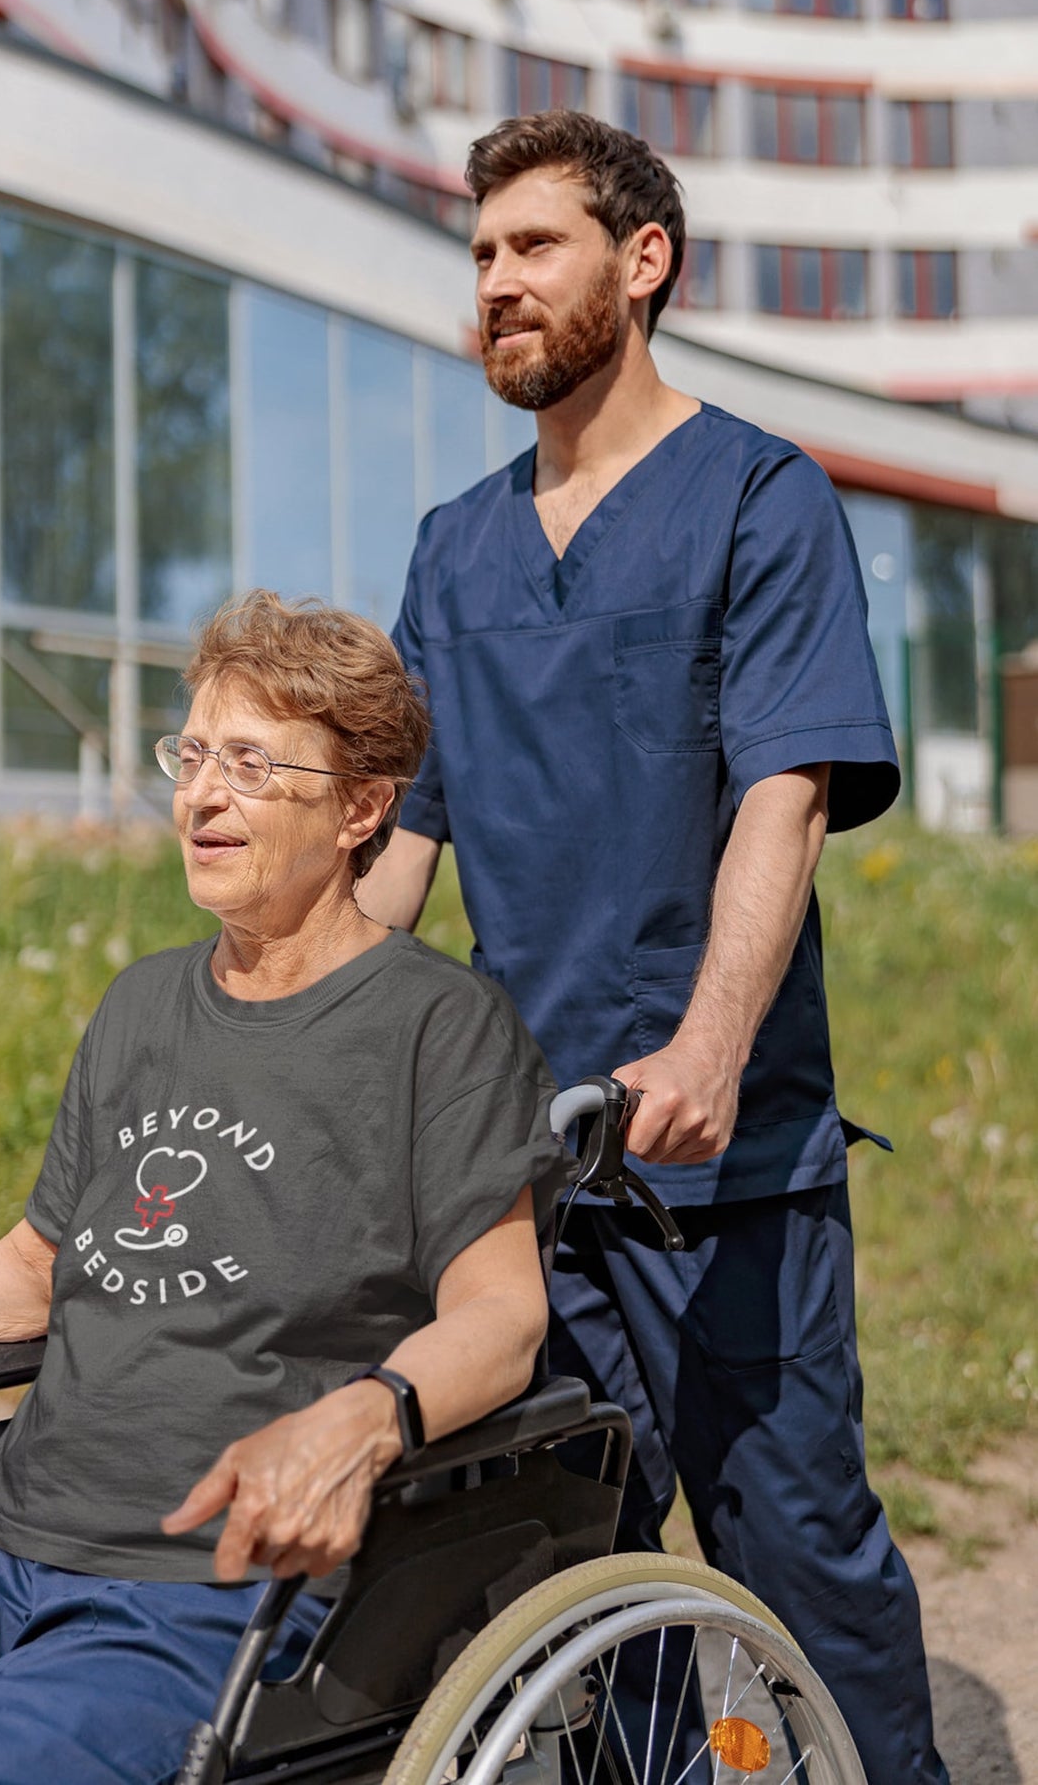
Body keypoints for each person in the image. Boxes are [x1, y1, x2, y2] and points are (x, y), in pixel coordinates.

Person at [0, 592, 560, 1785]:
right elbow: (41, 1264)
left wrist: (363, 1416)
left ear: (360, 807)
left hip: (204, 1594)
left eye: (250, 763)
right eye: (191, 753)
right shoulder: (144, 1006)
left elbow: (503, 1319)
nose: (198, 795)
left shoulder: (437, 1029)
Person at [358, 109, 947, 1784]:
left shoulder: (760, 499)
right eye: (478, 256)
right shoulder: (453, 550)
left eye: (531, 247)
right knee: (577, 1592)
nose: (496, 284)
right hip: (531, 1189)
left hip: (723, 1171)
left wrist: (700, 1047)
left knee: (805, 1578)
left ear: (643, 261)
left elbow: (788, 796)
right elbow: (405, 851)